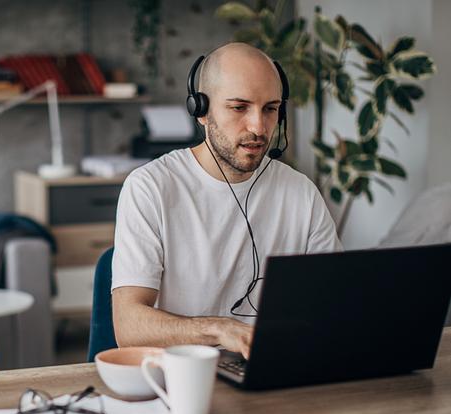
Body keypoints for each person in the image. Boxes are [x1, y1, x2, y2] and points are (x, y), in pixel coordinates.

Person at [111, 43, 342, 359]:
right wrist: (219, 330)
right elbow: (128, 327)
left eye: (271, 109)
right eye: (239, 108)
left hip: (275, 368)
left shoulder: (300, 191)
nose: (258, 127)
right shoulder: (150, 187)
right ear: (201, 111)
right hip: (184, 378)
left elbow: (334, 301)